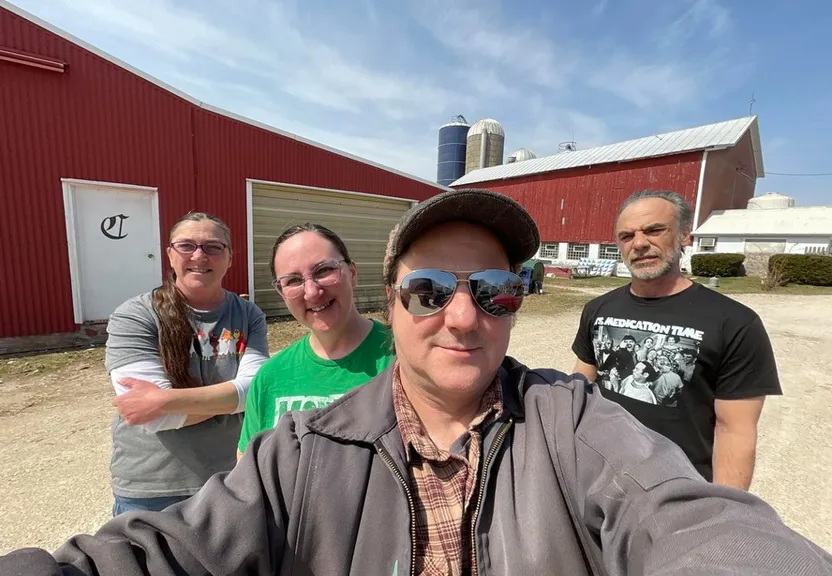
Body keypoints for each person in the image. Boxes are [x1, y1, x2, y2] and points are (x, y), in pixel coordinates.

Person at [2, 189, 830, 576]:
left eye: (496, 291)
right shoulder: (304, 443)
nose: (464, 319)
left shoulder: (574, 424)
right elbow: (171, 550)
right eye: (431, 291)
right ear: (391, 305)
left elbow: (689, 518)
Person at [572, 190, 782, 490]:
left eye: (655, 230)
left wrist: (725, 511)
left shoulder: (735, 323)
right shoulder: (598, 309)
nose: (640, 243)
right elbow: (581, 384)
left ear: (684, 235)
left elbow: (735, 431)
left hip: (678, 488)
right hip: (600, 476)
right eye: (627, 236)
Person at [104, 212, 269, 515]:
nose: (199, 255)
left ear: (229, 258)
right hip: (153, 489)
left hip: (229, 479)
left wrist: (165, 399)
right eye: (186, 246)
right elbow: (152, 417)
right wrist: (235, 399)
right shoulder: (136, 315)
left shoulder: (249, 315)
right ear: (169, 255)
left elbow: (255, 391)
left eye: (213, 247)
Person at [237, 223, 393, 459]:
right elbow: (247, 471)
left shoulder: (402, 357)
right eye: (293, 281)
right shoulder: (270, 377)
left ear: (352, 273)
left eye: (323, 271)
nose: (311, 291)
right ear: (281, 293)